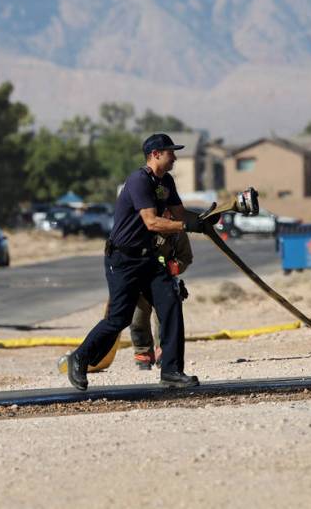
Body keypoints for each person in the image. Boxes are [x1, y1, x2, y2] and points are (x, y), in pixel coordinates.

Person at [65, 133, 213, 391]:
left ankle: (171, 371)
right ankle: (79, 358)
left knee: (170, 303)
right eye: (170, 152)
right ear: (155, 154)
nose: (175, 157)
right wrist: (186, 226)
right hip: (122, 258)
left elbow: (180, 213)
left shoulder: (165, 181)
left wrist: (206, 219)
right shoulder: (138, 180)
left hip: (147, 258)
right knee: (119, 318)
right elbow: (152, 222)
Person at [130, 213, 193, 370]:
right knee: (137, 318)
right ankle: (142, 354)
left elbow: (185, 256)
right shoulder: (139, 225)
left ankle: (163, 353)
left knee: (164, 318)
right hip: (140, 278)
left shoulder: (177, 232)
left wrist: (176, 266)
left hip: (164, 279)